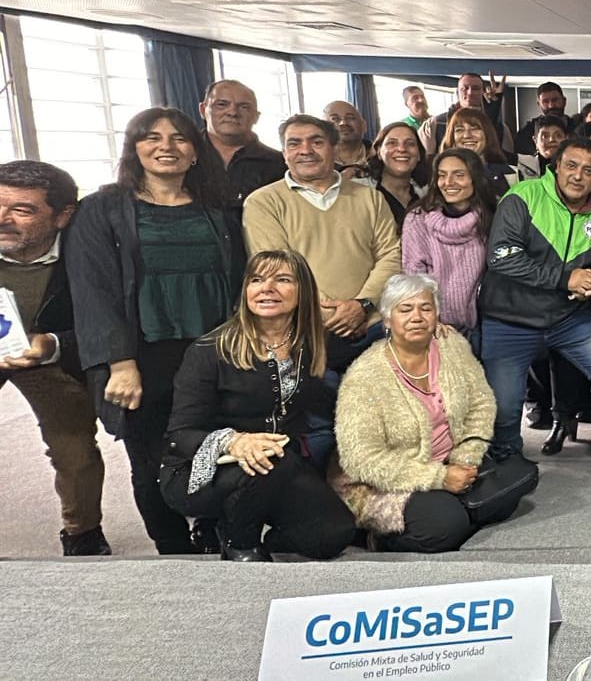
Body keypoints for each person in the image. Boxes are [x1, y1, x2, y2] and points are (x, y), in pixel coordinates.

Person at [68, 107, 244, 554]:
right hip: (141, 355)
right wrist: (119, 362)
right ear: (134, 148)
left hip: (213, 351)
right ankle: (172, 546)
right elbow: (93, 291)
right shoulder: (102, 209)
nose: (166, 146)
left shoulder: (219, 210)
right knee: (152, 458)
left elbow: (239, 281)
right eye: (152, 137)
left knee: (216, 444)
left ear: (195, 151)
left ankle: (211, 527)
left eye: (179, 138)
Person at [160, 250, 354, 561]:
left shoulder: (313, 342)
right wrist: (234, 441)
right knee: (272, 461)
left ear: (303, 291)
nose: (267, 288)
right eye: (257, 280)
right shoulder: (208, 350)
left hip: (280, 468)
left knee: (333, 534)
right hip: (203, 470)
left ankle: (255, 521)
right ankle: (239, 541)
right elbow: (180, 434)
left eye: (283, 280)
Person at [242, 114, 402, 466]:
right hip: (307, 335)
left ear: (333, 148)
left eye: (316, 141)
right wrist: (330, 314)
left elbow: (392, 254)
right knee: (320, 428)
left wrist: (361, 304)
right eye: (294, 143)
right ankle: (323, 495)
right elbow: (276, 270)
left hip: (371, 328)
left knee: (383, 418)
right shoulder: (263, 202)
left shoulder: (369, 198)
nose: (306, 150)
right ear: (284, 152)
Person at [478, 138, 591, 483]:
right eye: (571, 166)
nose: (578, 176)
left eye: (588, 171)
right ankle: (508, 459)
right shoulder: (523, 196)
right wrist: (566, 278)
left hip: (568, 318)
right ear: (557, 166)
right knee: (505, 406)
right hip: (510, 318)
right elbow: (501, 257)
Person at [335, 274, 515, 553]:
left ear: (436, 315)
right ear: (387, 320)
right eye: (405, 309)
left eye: (426, 308)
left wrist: (465, 458)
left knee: (509, 495)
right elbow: (361, 460)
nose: (417, 317)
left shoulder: (453, 346)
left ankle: (455, 507)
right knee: (445, 527)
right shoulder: (364, 377)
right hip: (386, 482)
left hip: (450, 461)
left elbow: (482, 403)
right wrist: (438, 478)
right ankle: (374, 537)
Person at [0, 161, 111, 556]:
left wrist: (53, 345)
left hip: (50, 358)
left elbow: (109, 326)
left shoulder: (90, 254)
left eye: (22, 210)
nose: (3, 219)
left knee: (74, 450)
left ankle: (82, 533)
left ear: (63, 216)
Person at [402, 148, 497, 343]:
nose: (448, 182)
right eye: (442, 175)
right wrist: (429, 319)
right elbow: (414, 276)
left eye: (459, 175)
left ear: (475, 179)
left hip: (484, 325)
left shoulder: (492, 216)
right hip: (436, 327)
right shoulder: (418, 218)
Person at [196, 79, 286, 209]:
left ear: (256, 116)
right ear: (203, 110)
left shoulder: (279, 164)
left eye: (244, 107)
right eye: (221, 104)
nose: (232, 113)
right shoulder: (183, 157)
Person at [422, 74, 513, 155]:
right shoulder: (435, 124)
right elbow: (426, 161)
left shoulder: (502, 129)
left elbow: (509, 163)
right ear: (457, 92)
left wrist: (490, 121)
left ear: (483, 92)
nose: (470, 93)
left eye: (476, 88)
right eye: (464, 88)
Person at [444, 106, 520, 198]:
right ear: (452, 138)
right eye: (460, 130)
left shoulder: (512, 175)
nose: (467, 135)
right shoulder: (441, 178)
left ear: (487, 135)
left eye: (474, 128)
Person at [366, 121, 428, 228]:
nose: (402, 149)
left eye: (410, 143)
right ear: (379, 152)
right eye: (392, 143)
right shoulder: (361, 193)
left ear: (419, 154)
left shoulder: (428, 196)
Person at [324, 100, 372, 181]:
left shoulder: (382, 158)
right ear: (323, 129)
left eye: (350, 118)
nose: (343, 123)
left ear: (364, 125)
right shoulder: (316, 163)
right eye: (335, 119)